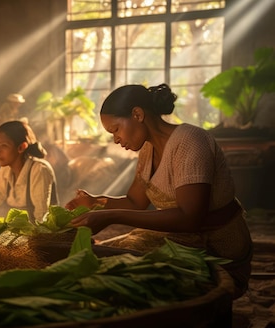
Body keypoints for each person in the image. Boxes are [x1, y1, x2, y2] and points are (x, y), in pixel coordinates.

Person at [65, 83, 253, 298]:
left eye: (116, 130)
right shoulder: (147, 149)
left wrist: (110, 216)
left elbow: (190, 217)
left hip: (215, 247)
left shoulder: (190, 141)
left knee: (114, 276)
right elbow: (136, 202)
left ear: (137, 114)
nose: (115, 139)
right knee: (96, 258)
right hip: (177, 239)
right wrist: (96, 202)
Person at [0, 120, 59, 222]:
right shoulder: (6, 170)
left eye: (4, 146)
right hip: (24, 233)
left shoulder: (39, 170)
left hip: (44, 234)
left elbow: (42, 217)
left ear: (21, 147)